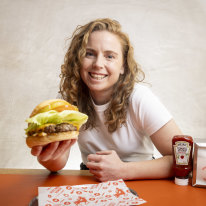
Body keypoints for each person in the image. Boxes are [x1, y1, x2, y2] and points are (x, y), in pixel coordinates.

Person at [31, 18, 182, 182]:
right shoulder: (69, 100)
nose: (98, 64)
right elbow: (57, 164)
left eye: (109, 56)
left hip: (142, 180)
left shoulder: (139, 97)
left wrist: (123, 171)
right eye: (89, 54)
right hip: (92, 180)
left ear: (123, 65)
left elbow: (183, 158)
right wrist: (47, 153)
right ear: (78, 60)